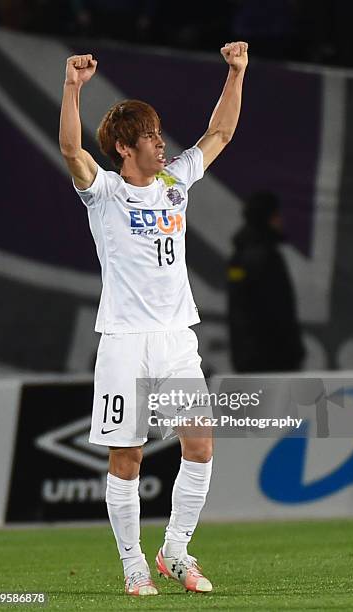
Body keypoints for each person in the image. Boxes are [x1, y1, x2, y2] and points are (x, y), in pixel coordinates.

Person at [59, 42, 248, 596]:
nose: (162, 143)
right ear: (124, 146)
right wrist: (73, 88)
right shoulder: (107, 193)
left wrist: (236, 73)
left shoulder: (174, 182)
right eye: (150, 137)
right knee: (128, 456)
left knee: (201, 443)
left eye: (160, 135)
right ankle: (133, 565)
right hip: (123, 340)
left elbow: (220, 134)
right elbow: (71, 147)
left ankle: (175, 550)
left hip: (174, 339)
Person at [228, 190, 305, 373]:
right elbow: (278, 309)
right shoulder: (266, 257)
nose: (281, 221)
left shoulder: (239, 256)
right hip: (272, 359)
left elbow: (239, 309)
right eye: (277, 215)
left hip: (246, 356)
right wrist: (292, 351)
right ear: (269, 218)